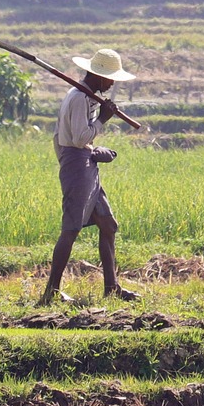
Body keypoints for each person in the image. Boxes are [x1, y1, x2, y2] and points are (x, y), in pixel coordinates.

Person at [39, 48, 139, 306]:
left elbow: (78, 139)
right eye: (111, 78)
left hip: (86, 164)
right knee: (70, 229)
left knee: (108, 225)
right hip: (77, 168)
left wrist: (93, 152)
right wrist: (103, 120)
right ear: (99, 76)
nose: (113, 83)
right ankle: (51, 291)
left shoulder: (88, 97)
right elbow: (79, 137)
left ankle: (112, 288)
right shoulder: (78, 99)